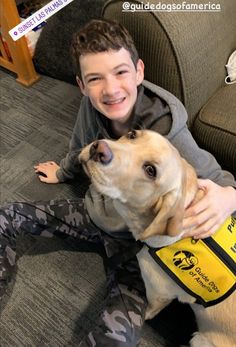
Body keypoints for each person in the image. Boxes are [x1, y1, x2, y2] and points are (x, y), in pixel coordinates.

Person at [1, 19, 236, 347]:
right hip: (96, 210)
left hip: (140, 253)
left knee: (114, 340)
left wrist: (229, 196)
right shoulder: (93, 102)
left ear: (139, 71)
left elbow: (218, 177)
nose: (110, 89)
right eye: (95, 79)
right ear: (82, 85)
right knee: (6, 215)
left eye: (120, 72)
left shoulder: (167, 133)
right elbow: (81, 145)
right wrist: (64, 172)